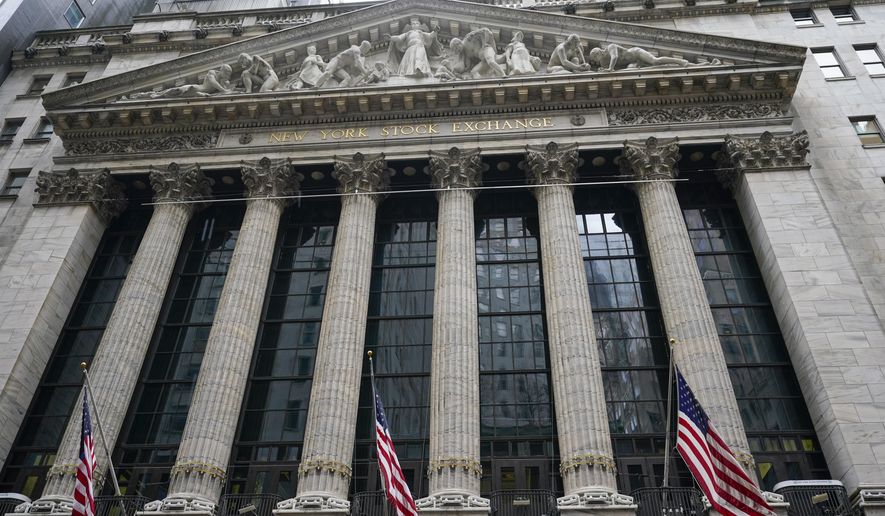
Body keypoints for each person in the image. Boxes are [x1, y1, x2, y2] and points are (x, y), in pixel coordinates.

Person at [128, 64, 233, 99]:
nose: (228, 76)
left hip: (199, 93)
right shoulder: (212, 73)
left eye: (229, 74)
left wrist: (226, 85)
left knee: (170, 93)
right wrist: (224, 90)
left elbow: (227, 90)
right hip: (195, 88)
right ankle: (146, 95)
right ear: (222, 70)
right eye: (227, 73)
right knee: (173, 91)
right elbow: (213, 83)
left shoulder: (223, 80)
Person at [588, 43, 695, 71]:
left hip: (636, 53)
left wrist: (610, 69)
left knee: (655, 61)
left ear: (598, 53)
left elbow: (615, 57)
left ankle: (681, 62)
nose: (596, 61)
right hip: (633, 63)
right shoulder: (603, 63)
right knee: (631, 69)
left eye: (595, 58)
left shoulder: (610, 47)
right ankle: (690, 65)